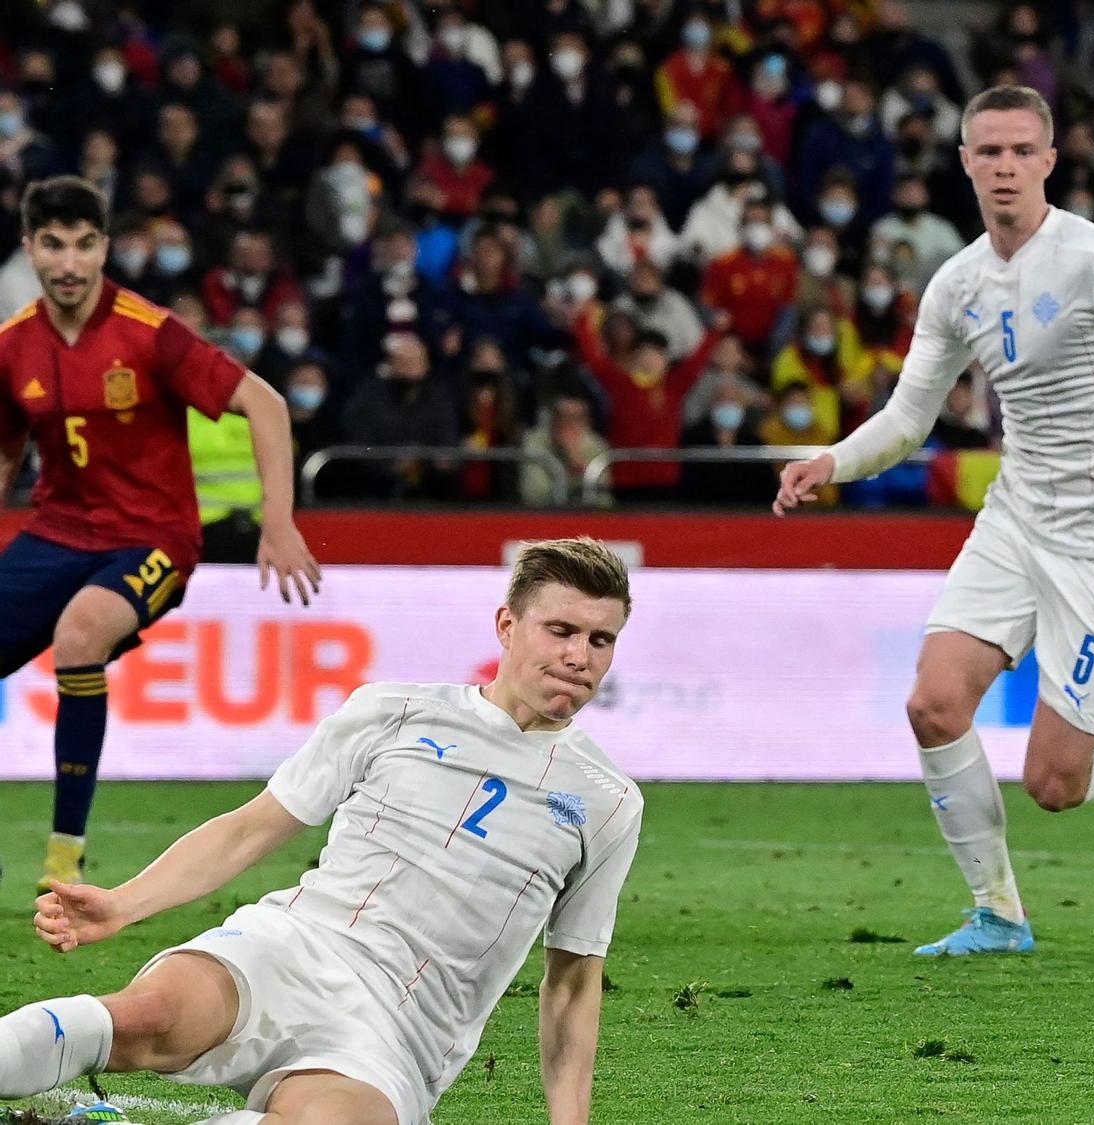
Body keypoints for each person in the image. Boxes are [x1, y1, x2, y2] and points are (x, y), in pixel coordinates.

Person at [773, 86, 1094, 957]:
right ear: (963, 161)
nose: (1004, 166)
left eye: (1022, 150)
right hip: (1016, 524)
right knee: (933, 702)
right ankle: (998, 911)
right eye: (987, 151)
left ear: (1050, 161)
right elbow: (910, 418)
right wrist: (832, 460)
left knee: (1055, 784)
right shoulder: (957, 283)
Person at [12, 538, 641, 1125]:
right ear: (507, 625)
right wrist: (123, 905)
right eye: (560, 630)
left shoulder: (608, 802)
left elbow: (572, 980)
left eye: (600, 640)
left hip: (399, 1032)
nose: (578, 657)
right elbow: (251, 828)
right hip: (293, 946)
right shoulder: (392, 711)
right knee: (144, 1019)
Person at [0, 176, 322, 894]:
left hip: (155, 538)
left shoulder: (149, 332)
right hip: (58, 530)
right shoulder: (14, 346)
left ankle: (62, 857)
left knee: (82, 631)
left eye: (85, 244)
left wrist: (279, 520)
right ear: (30, 249)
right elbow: (5, 448)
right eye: (53, 244)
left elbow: (264, 404)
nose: (69, 262)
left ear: (105, 248)